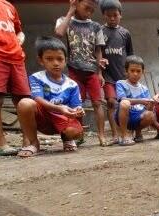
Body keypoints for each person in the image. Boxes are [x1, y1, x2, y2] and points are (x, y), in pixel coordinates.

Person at [17, 36, 84, 157]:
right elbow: (37, 99)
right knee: (25, 103)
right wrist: (60, 108)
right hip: (43, 120)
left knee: (74, 131)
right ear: (41, 60)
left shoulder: (72, 84)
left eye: (59, 59)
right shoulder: (36, 78)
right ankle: (33, 143)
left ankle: (67, 139)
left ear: (65, 60)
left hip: (62, 120)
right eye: (49, 59)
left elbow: (76, 107)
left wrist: (78, 111)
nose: (55, 63)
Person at [54, 0, 108, 146]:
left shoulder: (96, 26)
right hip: (74, 70)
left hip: (92, 72)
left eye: (92, 10)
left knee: (97, 103)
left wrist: (100, 73)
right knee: (77, 104)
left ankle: (102, 136)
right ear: (76, 4)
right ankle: (79, 135)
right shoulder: (65, 20)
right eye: (86, 8)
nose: (89, 12)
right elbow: (59, 32)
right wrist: (71, 11)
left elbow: (98, 50)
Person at [0, 0, 30, 156]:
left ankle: (28, 142)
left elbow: (19, 30)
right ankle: (2, 144)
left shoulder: (9, 6)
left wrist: (20, 38)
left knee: (23, 100)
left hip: (16, 56)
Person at [99, 0, 133, 144]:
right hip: (108, 76)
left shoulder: (125, 33)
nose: (112, 18)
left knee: (125, 104)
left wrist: (130, 75)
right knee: (112, 103)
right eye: (108, 16)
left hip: (123, 76)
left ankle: (126, 132)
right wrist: (99, 73)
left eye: (115, 15)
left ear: (120, 15)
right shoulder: (100, 32)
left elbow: (130, 55)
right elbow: (98, 54)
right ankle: (115, 135)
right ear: (103, 15)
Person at [115, 55, 154, 145]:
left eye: (138, 71)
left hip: (137, 117)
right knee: (125, 103)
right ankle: (124, 135)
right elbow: (122, 99)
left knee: (150, 114)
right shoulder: (121, 83)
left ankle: (138, 132)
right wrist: (140, 101)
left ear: (142, 72)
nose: (135, 74)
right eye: (132, 71)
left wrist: (152, 103)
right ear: (126, 71)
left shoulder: (144, 88)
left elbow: (148, 108)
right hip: (124, 116)